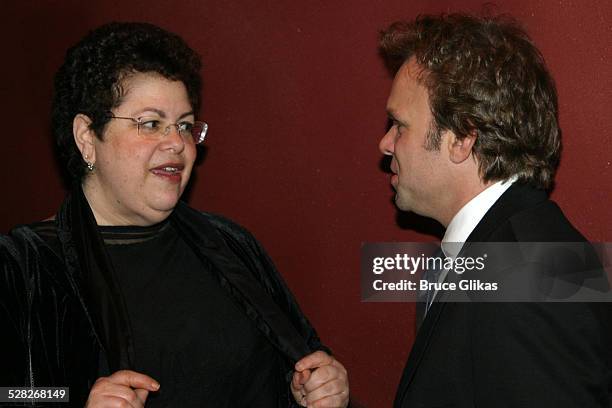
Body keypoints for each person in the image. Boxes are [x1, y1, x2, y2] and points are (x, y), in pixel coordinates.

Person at [0, 22, 348, 407]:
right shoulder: (24, 266)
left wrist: (315, 387)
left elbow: (303, 360)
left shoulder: (231, 245)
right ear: (86, 137)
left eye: (184, 125)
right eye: (151, 123)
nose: (176, 143)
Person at [377, 13, 611, 407]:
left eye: (400, 126)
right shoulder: (505, 254)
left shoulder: (527, 277)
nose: (386, 144)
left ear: (463, 139)